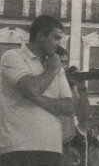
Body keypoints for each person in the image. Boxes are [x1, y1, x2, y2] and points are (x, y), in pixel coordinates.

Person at [0, 15, 74, 166]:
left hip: (51, 147)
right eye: (56, 38)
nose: (59, 43)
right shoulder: (13, 56)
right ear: (40, 35)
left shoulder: (55, 65)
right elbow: (31, 88)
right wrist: (51, 70)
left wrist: (35, 97)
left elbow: (69, 107)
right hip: (19, 147)